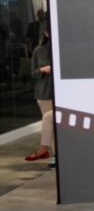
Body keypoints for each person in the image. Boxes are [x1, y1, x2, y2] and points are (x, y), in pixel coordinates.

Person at [25, 28, 55, 165]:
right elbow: (33, 73)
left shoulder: (59, 48)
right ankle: (55, 156)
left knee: (53, 123)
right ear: (46, 33)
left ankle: (48, 151)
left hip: (58, 93)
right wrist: (43, 69)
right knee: (51, 124)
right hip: (44, 93)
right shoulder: (38, 50)